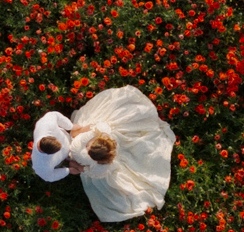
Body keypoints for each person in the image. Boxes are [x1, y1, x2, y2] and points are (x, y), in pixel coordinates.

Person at [65, 86, 175, 222]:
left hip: (88, 151)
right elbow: (85, 133)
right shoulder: (100, 132)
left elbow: (82, 167)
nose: (87, 147)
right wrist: (77, 161)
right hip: (91, 144)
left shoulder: (100, 168)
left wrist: (77, 162)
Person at [30, 110, 74, 182]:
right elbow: (49, 177)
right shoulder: (40, 165)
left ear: (50, 137)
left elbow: (55, 115)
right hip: (69, 155)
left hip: (69, 135)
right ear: (48, 154)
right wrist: (67, 171)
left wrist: (70, 126)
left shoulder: (46, 124)